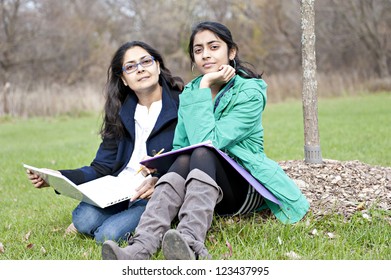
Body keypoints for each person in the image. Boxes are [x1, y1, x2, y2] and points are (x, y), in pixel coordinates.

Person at [101, 21, 310, 260]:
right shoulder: (191, 91)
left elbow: (208, 142)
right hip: (204, 192)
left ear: (231, 52)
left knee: (202, 153)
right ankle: (140, 248)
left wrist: (204, 84)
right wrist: (159, 171)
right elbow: (181, 146)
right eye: (198, 50)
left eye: (213, 47)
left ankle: (190, 244)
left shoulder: (250, 92)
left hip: (245, 186)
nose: (205, 55)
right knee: (184, 157)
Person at [26, 41, 184, 244]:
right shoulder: (120, 112)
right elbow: (101, 166)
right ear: (124, 79)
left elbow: (188, 157)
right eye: (131, 66)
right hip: (117, 190)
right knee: (83, 219)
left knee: (107, 235)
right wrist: (59, 176)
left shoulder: (182, 104)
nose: (140, 69)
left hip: (154, 191)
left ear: (158, 66)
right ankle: (111, 219)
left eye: (146, 61)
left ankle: (151, 221)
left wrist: (160, 180)